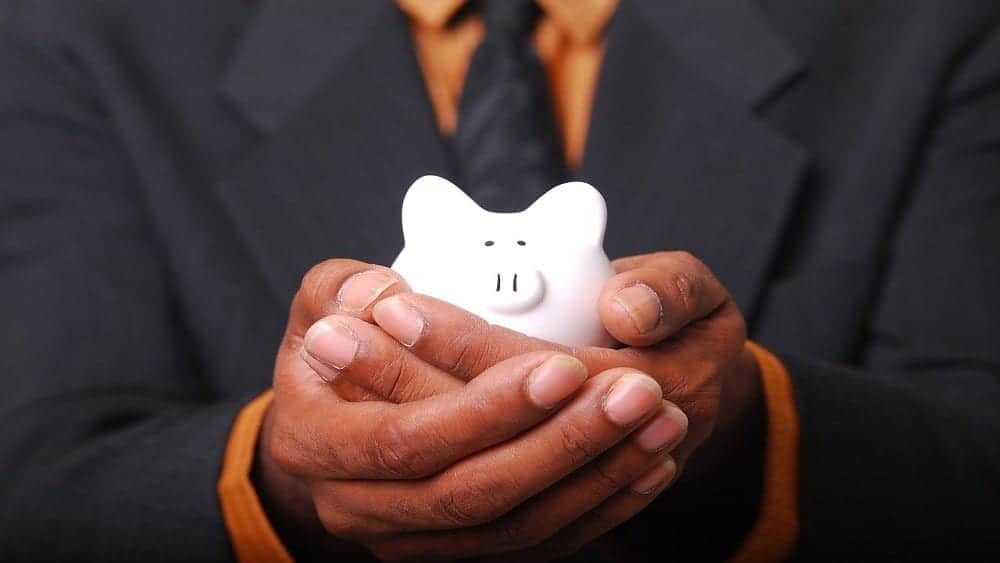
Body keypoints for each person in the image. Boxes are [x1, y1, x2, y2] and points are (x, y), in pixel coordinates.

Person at [1, 0, 999, 561]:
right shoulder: (85, 34)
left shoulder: (926, 31)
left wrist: (749, 415)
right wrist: (280, 476)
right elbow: (39, 486)